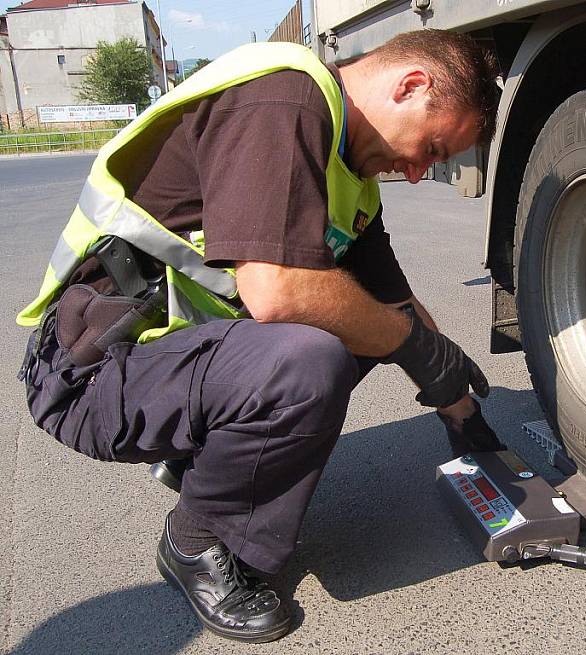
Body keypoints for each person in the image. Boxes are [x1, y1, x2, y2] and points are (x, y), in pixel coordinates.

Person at [17, 30, 503, 643]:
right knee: (308, 355)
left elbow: (392, 301)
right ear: (411, 86)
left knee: (367, 323)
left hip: (160, 360)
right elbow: (277, 293)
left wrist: (456, 403)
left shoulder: (345, 171)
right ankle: (193, 542)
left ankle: (212, 456)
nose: (416, 173)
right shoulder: (283, 98)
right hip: (88, 371)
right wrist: (412, 344)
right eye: (431, 148)